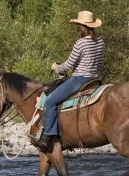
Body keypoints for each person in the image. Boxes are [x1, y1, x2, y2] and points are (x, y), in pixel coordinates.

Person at [38, 10, 105, 148]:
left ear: (82, 27)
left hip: (79, 80)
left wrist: (56, 67)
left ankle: (49, 135)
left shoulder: (80, 43)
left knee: (50, 101)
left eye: (78, 27)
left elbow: (68, 65)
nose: (77, 29)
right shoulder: (100, 42)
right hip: (95, 79)